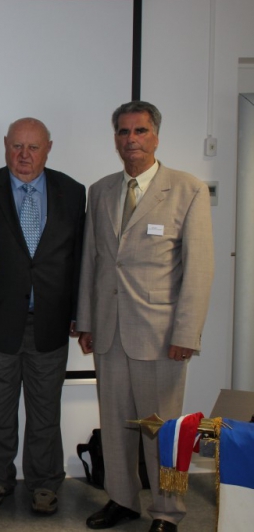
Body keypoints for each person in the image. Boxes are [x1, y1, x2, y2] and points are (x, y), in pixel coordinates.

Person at [76, 101, 214, 532]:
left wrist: (187, 331)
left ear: (156, 136)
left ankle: (169, 510)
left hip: (161, 335)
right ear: (115, 138)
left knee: (164, 432)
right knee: (116, 427)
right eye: (123, 132)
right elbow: (93, 261)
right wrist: (86, 320)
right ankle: (122, 499)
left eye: (140, 131)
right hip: (110, 331)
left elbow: (199, 267)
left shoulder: (187, 188)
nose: (131, 140)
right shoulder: (100, 190)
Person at [0, 118, 85, 515]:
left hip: (50, 323)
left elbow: (80, 260)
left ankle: (44, 483)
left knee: (44, 412)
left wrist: (79, 314)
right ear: (5, 145)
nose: (24, 155)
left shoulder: (72, 192)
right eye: (17, 146)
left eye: (33, 148)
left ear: (48, 148)